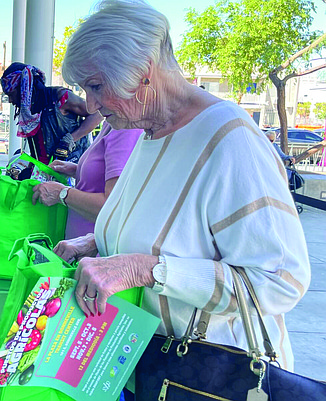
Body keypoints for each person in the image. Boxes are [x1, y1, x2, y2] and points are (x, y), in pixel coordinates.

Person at [54, 0, 309, 378]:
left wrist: (144, 269)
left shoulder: (229, 139)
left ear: (142, 71)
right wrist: (97, 242)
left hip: (210, 377)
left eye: (95, 86)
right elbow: (168, 230)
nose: (90, 103)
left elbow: (279, 282)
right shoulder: (149, 130)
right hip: (153, 366)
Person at [32, 122, 143, 239]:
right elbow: (104, 175)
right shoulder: (110, 124)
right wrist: (77, 170)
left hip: (98, 251)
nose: (92, 107)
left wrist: (61, 193)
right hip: (80, 249)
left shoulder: (125, 130)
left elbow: (113, 207)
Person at [1, 62, 104, 165]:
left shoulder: (59, 97)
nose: (10, 100)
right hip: (44, 171)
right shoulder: (29, 111)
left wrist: (71, 139)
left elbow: (97, 114)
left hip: (70, 169)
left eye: (11, 94)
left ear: (24, 87)